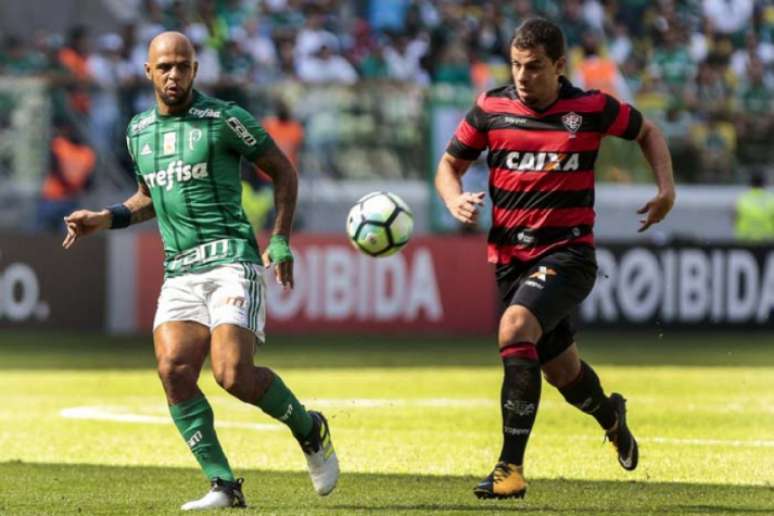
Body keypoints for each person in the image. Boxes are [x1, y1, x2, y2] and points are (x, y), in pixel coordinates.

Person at [61, 31, 339, 510]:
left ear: (195, 70)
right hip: (180, 270)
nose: (174, 75)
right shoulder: (138, 131)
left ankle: (309, 428)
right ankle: (223, 484)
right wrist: (105, 219)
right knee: (173, 370)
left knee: (232, 374)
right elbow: (150, 196)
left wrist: (279, 239)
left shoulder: (225, 119)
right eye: (164, 67)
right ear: (147, 72)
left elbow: (283, 170)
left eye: (183, 66)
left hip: (231, 257)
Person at [435, 18, 675, 500]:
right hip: (509, 260)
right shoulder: (490, 107)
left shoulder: (589, 109)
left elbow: (647, 131)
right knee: (562, 373)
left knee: (514, 328)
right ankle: (611, 416)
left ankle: (510, 468)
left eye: (535, 67)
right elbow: (449, 165)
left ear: (559, 66)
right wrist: (452, 199)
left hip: (568, 254)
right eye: (516, 65)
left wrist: (666, 189)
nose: (523, 76)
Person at [735, 171, 774, 241]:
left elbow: (735, 218)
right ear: (764, 183)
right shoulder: (772, 199)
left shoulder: (741, 199)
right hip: (768, 238)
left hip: (745, 238)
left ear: (750, 183)